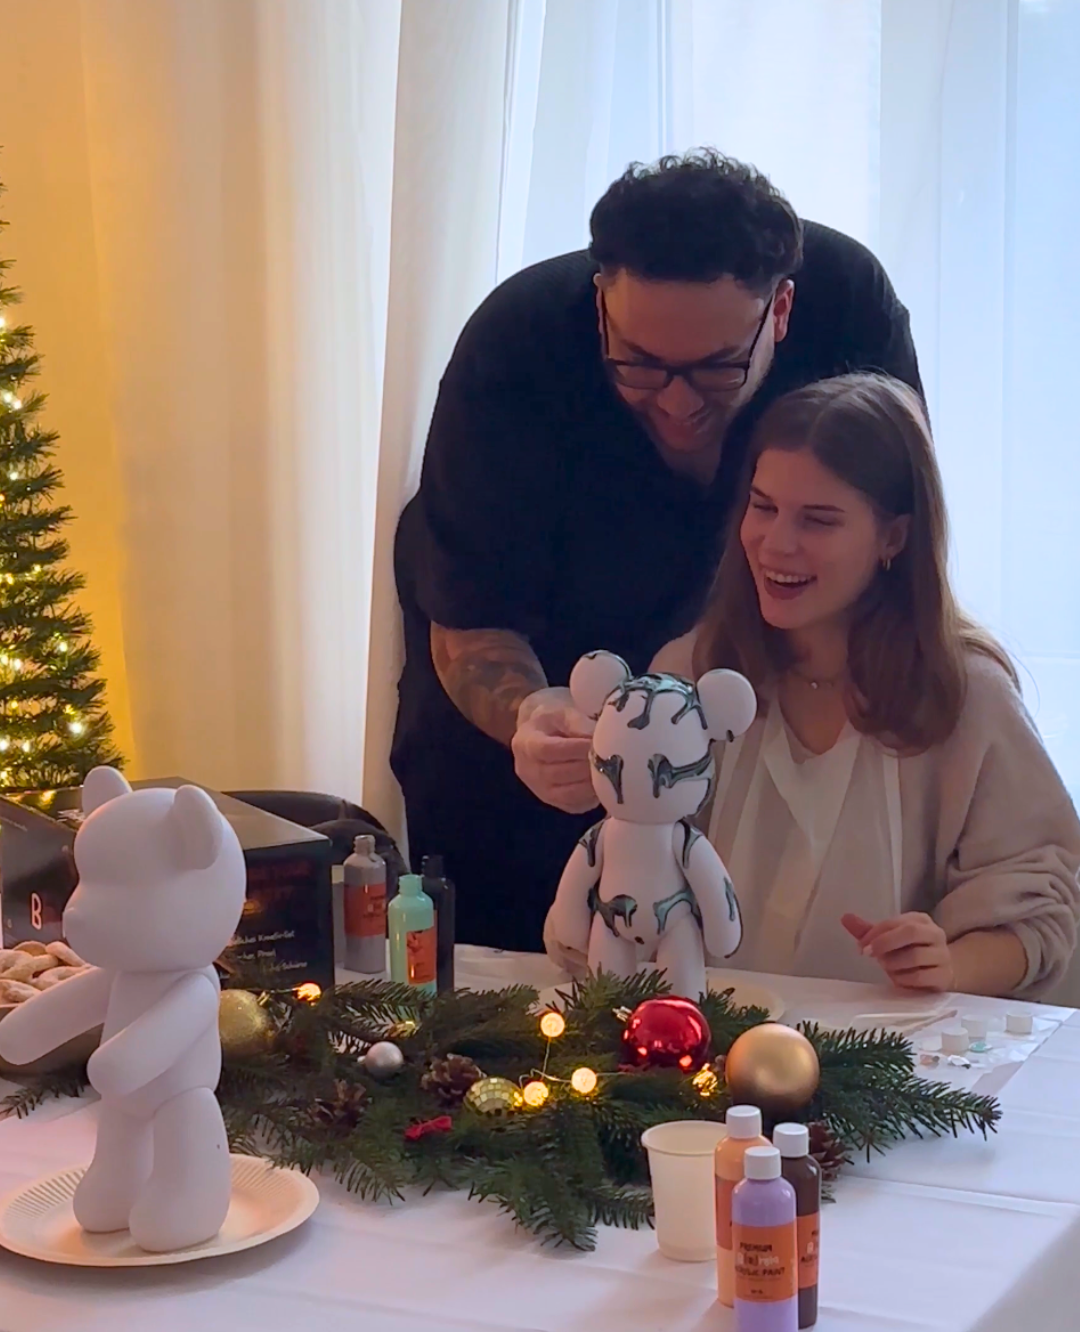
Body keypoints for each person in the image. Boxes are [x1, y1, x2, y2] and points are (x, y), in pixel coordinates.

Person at [393, 150, 922, 953]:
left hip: (743, 738)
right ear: (600, 302)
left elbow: (894, 537)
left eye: (717, 369)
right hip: (523, 760)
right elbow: (471, 618)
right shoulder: (516, 346)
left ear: (781, 311)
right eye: (639, 365)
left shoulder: (850, 313)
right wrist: (532, 716)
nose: (676, 403)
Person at [624, 373, 1079, 997]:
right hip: (699, 1039)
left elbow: (1042, 911)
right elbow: (632, 869)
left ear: (894, 537)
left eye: (818, 520)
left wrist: (948, 964)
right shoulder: (692, 674)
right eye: (763, 507)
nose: (776, 544)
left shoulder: (966, 693)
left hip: (895, 1049)